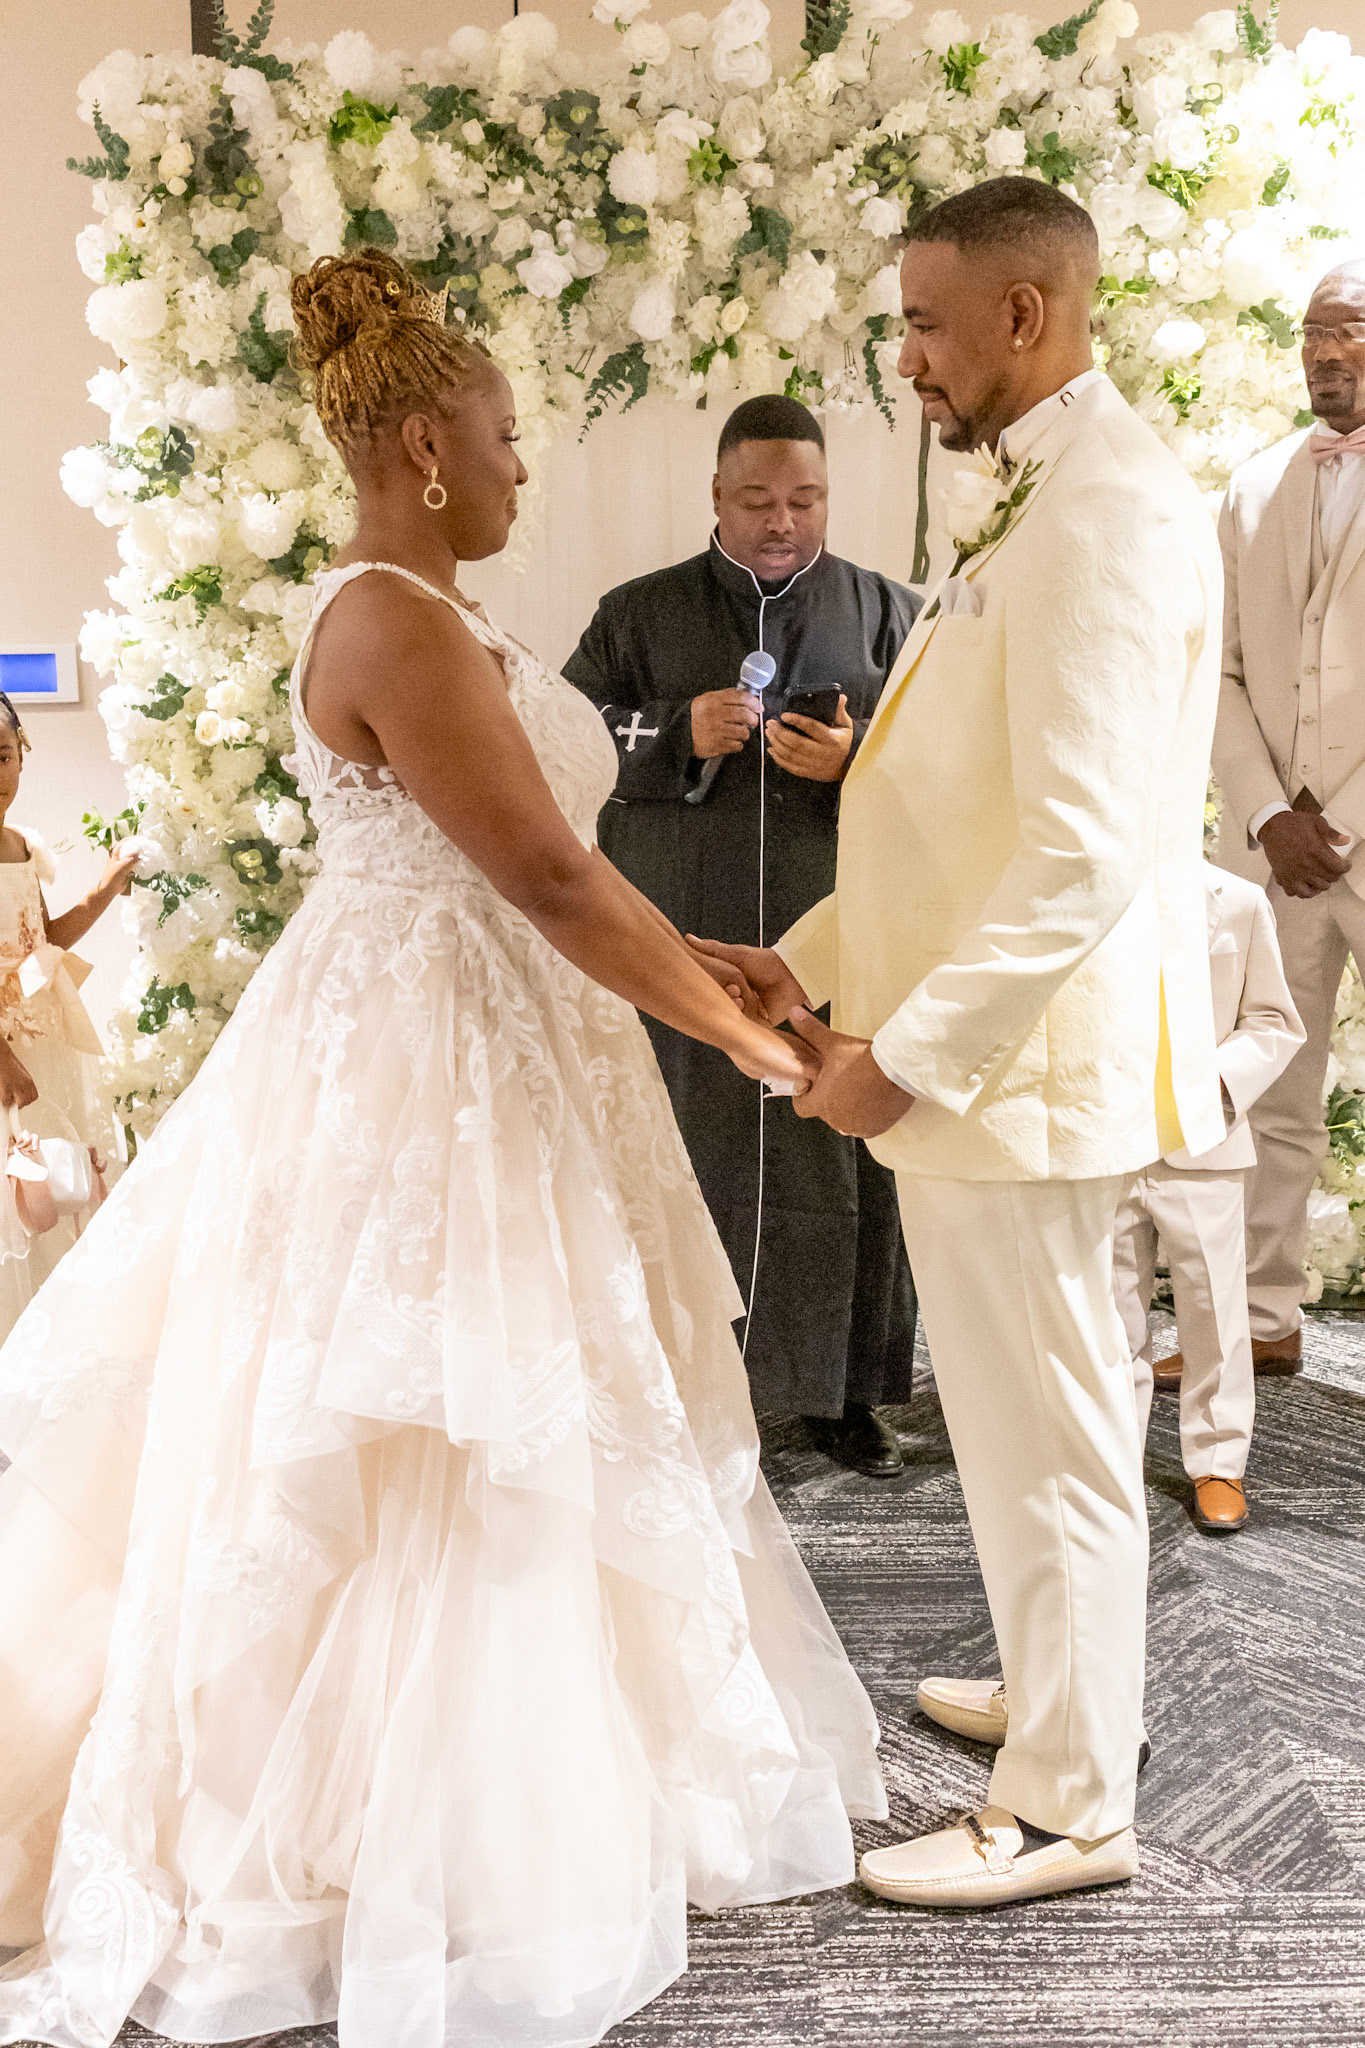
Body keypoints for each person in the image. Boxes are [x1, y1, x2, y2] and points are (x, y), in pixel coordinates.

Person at [0, 251, 885, 2048]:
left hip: (496, 1032)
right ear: (422, 445)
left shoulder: (436, 613)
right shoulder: (390, 618)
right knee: (433, 1411)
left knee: (506, 1402)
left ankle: (498, 1788)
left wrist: (703, 954)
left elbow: (541, 854)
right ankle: (397, 1830)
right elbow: (544, 874)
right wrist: (741, 1041)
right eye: (503, 436)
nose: (520, 466)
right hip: (422, 1067)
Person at [693, 178, 1224, 1908]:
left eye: (926, 322)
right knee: (1017, 1424)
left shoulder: (1107, 510)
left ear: (1025, 314)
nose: (906, 356)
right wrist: (806, 960)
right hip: (996, 1063)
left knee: (1052, 1434)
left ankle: (1071, 1804)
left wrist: (900, 1053)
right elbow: (959, 816)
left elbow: (1080, 850)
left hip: (1018, 1074)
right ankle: (1067, 1685)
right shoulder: (1048, 493)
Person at [565, 396, 919, 1476]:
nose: (782, 521)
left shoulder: (888, 613)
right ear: (716, 496)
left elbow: (949, 763)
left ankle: (843, 1394)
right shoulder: (638, 614)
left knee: (842, 1154)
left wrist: (859, 760)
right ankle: (681, 1383)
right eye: (758, 500)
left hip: (837, 943)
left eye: (805, 500)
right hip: (690, 944)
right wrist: (676, 731)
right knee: (691, 1151)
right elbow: (560, 741)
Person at [1213, 259, 1365, 1373]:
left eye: (1347, 330)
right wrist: (1270, 813)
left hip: (1345, 833)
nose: (1322, 351)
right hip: (1275, 853)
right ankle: (1259, 1319)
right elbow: (1214, 673)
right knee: (1265, 1085)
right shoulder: (1251, 487)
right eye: (1312, 331)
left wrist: (1336, 818)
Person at [1112, 866, 1303, 1535]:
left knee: (1213, 1308)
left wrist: (1213, 1086)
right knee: (1109, 1314)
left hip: (1204, 1140)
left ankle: (1219, 1462)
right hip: (1104, 1140)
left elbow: (1273, 1020)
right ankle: (1112, 1460)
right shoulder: (1083, 885)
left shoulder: (1239, 901)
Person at [0, 695, 134, 1338]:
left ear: (22, 756)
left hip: (44, 1030)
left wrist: (104, 890)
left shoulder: (22, 846)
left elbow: (41, 939)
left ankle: (48, 1340)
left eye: (2, 756)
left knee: (54, 1177)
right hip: (4, 1046)